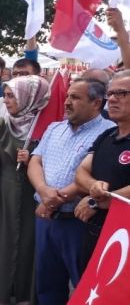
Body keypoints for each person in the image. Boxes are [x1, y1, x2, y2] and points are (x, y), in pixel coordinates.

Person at [27, 78, 113, 304]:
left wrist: (54, 199)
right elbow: (35, 162)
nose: (67, 102)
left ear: (96, 103)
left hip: (78, 222)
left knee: (84, 285)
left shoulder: (108, 133)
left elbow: (94, 175)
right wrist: (43, 191)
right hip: (46, 220)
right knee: (47, 285)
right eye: (67, 96)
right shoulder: (54, 128)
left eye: (75, 97)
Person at [0, 75, 50, 305]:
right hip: (3, 199)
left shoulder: (48, 128)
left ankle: (26, 297)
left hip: (33, 199)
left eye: (12, 96)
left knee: (28, 252)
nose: (6, 100)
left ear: (29, 98)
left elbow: (56, 166)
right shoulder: (0, 125)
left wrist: (32, 160)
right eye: (5, 95)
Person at [75, 70, 130, 266]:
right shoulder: (107, 135)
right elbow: (81, 173)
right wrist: (95, 186)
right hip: (97, 235)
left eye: (121, 93)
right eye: (111, 93)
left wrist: (97, 201)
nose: (112, 99)